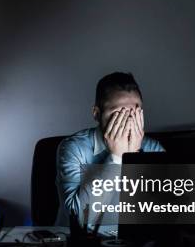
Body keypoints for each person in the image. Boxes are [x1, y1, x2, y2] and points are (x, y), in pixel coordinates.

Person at [55, 72, 164, 226]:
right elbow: (79, 219)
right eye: (118, 114)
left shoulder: (153, 148)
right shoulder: (74, 148)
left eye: (134, 113)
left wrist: (133, 159)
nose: (127, 121)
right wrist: (117, 158)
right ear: (97, 113)